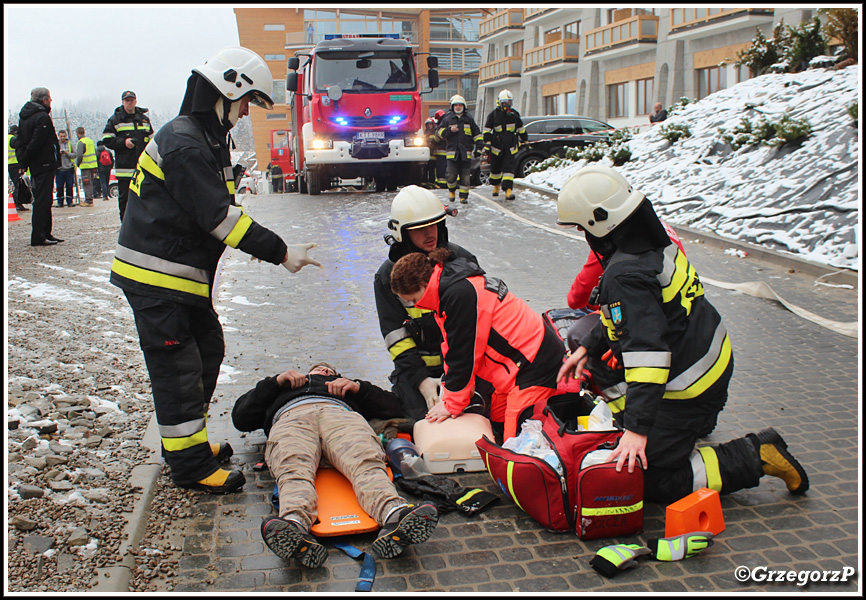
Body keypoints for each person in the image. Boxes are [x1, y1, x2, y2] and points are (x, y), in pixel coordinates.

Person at [109, 46, 322, 494]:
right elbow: (221, 218)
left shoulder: (204, 138)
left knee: (206, 351)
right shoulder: (187, 142)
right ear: (227, 90)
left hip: (178, 278)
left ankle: (189, 446)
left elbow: (218, 208)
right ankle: (189, 468)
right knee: (180, 369)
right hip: (158, 279)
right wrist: (282, 252)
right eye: (246, 102)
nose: (245, 113)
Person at [554, 164, 809, 504]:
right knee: (607, 379)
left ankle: (755, 455)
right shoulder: (651, 244)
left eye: (581, 227)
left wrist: (637, 432)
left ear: (599, 223)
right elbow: (642, 314)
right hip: (706, 363)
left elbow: (648, 356)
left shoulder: (624, 274)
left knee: (646, 477)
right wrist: (588, 344)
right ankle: (663, 428)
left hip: (690, 387)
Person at [231, 361, 439, 567]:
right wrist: (274, 383)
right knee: (292, 468)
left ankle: (394, 514)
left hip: (339, 415)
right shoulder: (284, 388)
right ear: (307, 372)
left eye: (330, 371)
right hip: (292, 418)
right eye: (319, 369)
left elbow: (394, 407)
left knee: (365, 462)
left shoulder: (346, 389)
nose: (325, 370)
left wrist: (359, 388)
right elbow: (241, 418)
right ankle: (295, 525)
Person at [390, 248, 565, 442]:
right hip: (518, 364)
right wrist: (449, 392)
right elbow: (451, 348)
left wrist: (452, 404)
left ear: (424, 284)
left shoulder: (458, 295)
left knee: (516, 440)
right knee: (497, 422)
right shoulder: (450, 288)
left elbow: (464, 354)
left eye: (414, 299)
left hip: (535, 363)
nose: (416, 306)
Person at [374, 185, 482, 421]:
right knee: (418, 422)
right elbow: (396, 339)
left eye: (433, 224)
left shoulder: (461, 260)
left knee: (479, 417)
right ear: (402, 233)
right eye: (420, 228)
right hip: (417, 371)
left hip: (463, 366)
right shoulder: (388, 276)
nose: (430, 233)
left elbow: (477, 326)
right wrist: (422, 382)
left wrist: (456, 379)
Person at [16, 87, 63, 247]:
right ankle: (38, 236)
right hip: (44, 162)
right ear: (44, 100)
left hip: (36, 163)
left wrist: (23, 161)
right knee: (42, 200)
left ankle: (46, 232)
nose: (50, 102)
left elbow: (21, 141)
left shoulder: (24, 117)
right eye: (49, 99)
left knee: (45, 198)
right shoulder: (42, 117)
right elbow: (37, 141)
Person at [102, 90, 153, 221]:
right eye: (127, 101)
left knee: (144, 197)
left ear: (136, 101)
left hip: (143, 167)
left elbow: (152, 140)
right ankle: (125, 225)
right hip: (125, 168)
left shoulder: (144, 119)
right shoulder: (115, 120)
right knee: (125, 199)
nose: (129, 103)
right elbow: (106, 140)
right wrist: (123, 143)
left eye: (132, 100)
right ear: (123, 103)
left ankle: (142, 224)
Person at [434, 94, 483, 204]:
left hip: (466, 153)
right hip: (452, 154)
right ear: (452, 107)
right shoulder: (447, 119)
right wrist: (449, 130)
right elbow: (439, 134)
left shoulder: (469, 119)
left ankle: (463, 197)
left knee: (465, 177)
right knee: (451, 175)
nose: (458, 107)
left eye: (460, 105)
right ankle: (451, 191)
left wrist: (479, 147)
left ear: (464, 106)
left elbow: (477, 134)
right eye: (456, 105)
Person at [483, 89, 527, 200]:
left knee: (509, 169)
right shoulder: (493, 115)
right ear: (500, 103)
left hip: (510, 147)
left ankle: (508, 190)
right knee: (495, 170)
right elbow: (487, 131)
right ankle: (496, 186)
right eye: (504, 103)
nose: (507, 106)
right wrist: (487, 144)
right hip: (496, 147)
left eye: (509, 103)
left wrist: (525, 140)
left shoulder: (514, 115)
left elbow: (520, 129)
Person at [8, 125, 29, 212]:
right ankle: (17, 203)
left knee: (16, 183)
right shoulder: (12, 139)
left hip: (10, 164)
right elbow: (18, 146)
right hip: (14, 163)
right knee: (18, 184)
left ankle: (18, 202)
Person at [75, 126, 98, 206]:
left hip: (85, 166)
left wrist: (78, 163)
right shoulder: (90, 141)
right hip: (93, 165)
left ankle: (88, 200)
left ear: (77, 133)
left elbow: (80, 155)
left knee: (86, 183)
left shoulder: (81, 142)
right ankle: (90, 198)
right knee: (90, 183)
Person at [55, 130, 77, 208]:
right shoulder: (56, 144)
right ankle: (60, 202)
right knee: (59, 186)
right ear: (58, 136)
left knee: (69, 186)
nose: (63, 137)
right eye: (61, 136)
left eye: (64, 136)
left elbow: (75, 154)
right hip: (59, 169)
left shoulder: (70, 144)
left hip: (68, 168)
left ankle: (70, 202)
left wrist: (67, 153)